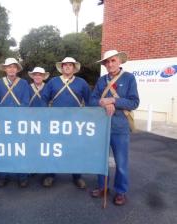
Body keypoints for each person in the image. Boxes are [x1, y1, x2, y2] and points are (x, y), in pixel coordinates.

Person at [90, 50, 139, 206]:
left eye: (113, 61)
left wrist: (113, 101)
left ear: (119, 61)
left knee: (121, 162)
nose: (110, 64)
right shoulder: (101, 80)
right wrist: (102, 102)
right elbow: (92, 99)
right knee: (100, 160)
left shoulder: (129, 78)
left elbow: (134, 102)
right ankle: (102, 187)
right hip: (102, 126)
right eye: (107, 62)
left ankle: (120, 191)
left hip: (120, 127)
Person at [42, 57, 91, 188]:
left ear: (74, 68)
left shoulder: (82, 83)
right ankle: (50, 175)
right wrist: (45, 116)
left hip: (75, 123)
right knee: (54, 149)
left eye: (70, 65)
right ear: (62, 67)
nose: (68, 67)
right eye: (65, 65)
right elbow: (44, 99)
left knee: (75, 150)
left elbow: (90, 101)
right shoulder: (53, 82)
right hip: (55, 123)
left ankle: (77, 176)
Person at [0, 58, 30, 188]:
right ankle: (3, 175)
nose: (11, 69)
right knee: (4, 149)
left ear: (17, 69)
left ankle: (22, 176)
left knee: (20, 150)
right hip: (4, 123)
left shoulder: (24, 83)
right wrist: (2, 115)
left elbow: (26, 102)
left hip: (19, 122)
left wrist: (16, 115)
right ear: (5, 69)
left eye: (14, 67)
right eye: (9, 67)